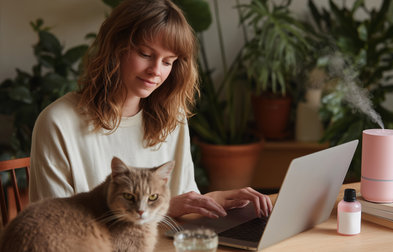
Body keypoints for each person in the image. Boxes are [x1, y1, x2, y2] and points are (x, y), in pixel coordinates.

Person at [29, 0, 272, 219]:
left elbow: (179, 203)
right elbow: (55, 228)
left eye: (168, 62)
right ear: (115, 48)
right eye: (145, 54)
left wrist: (210, 201)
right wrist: (166, 210)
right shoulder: (58, 122)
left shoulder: (171, 117)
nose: (156, 70)